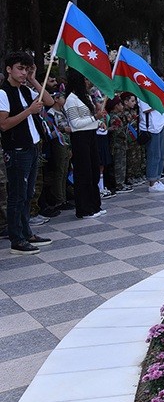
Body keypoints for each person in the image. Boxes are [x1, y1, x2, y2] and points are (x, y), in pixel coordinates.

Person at [0, 52, 55, 254]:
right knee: (17, 195)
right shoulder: (3, 93)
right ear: (9, 69)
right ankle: (17, 239)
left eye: (26, 69)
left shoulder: (25, 90)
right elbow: (4, 124)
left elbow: (48, 101)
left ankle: (26, 231)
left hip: (32, 147)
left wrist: (33, 80)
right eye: (20, 69)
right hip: (16, 150)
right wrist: (28, 111)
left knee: (28, 193)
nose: (23, 73)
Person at [63, 68, 105, 218]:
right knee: (84, 173)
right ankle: (84, 209)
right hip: (80, 138)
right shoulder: (71, 99)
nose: (88, 82)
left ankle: (95, 205)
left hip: (91, 136)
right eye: (86, 79)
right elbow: (75, 123)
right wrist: (95, 118)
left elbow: (90, 118)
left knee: (94, 171)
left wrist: (99, 122)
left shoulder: (85, 97)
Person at [140, 94, 164, 193]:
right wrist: (160, 102)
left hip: (160, 124)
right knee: (154, 155)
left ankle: (158, 179)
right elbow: (145, 109)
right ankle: (152, 182)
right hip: (152, 127)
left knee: (161, 154)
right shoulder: (142, 93)